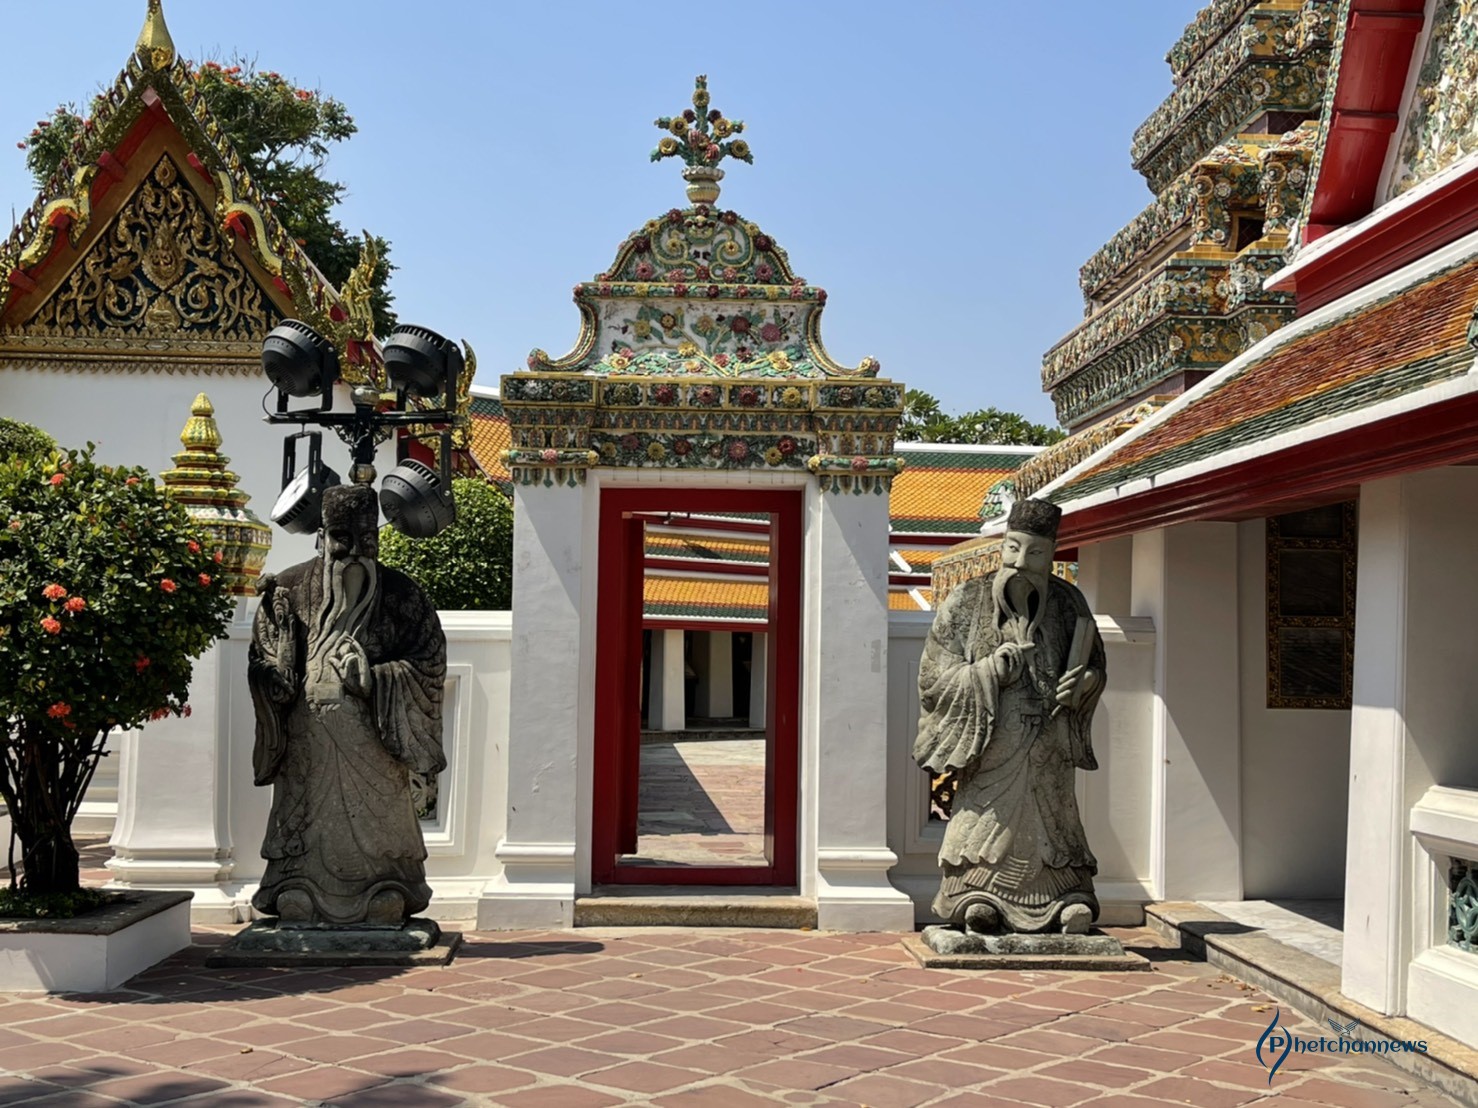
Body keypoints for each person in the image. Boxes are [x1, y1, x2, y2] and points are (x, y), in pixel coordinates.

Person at [247, 484, 447, 927]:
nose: (355, 551)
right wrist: (276, 678)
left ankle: (388, 887)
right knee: (302, 838)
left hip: (375, 748)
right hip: (307, 749)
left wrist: (376, 680)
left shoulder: (402, 596)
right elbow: (261, 656)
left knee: (381, 845)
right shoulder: (288, 590)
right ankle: (295, 887)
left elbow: (429, 662)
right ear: (322, 536)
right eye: (342, 539)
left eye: (367, 540)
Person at [913, 498, 1106, 935]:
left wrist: (1085, 683)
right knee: (985, 821)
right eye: (1013, 548)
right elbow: (934, 676)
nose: (1020, 563)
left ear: (1051, 555)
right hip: (994, 741)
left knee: (1055, 819)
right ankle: (975, 897)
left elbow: (1094, 663)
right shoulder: (967, 600)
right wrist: (988, 672)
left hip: (1050, 741)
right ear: (1002, 545)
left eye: (1035, 553)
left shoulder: (1068, 602)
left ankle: (1066, 899)